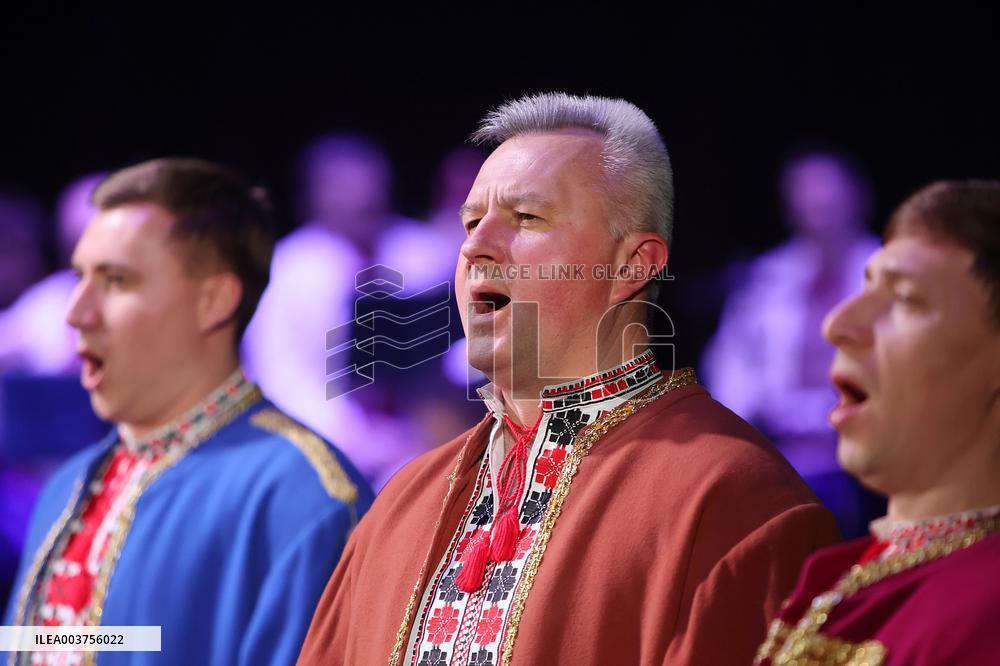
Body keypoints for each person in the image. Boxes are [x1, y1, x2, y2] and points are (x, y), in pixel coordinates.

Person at [298, 92, 839, 666]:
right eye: (471, 221)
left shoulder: (735, 499)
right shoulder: (402, 505)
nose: (476, 247)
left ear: (632, 264)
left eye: (526, 218)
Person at [1, 158, 373, 666]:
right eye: (78, 277)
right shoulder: (66, 490)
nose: (76, 313)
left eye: (115, 281)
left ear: (212, 300)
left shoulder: (302, 498)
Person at [755, 180, 1000, 665]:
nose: (836, 324)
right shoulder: (829, 579)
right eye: (866, 287)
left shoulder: (984, 611)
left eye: (906, 299)